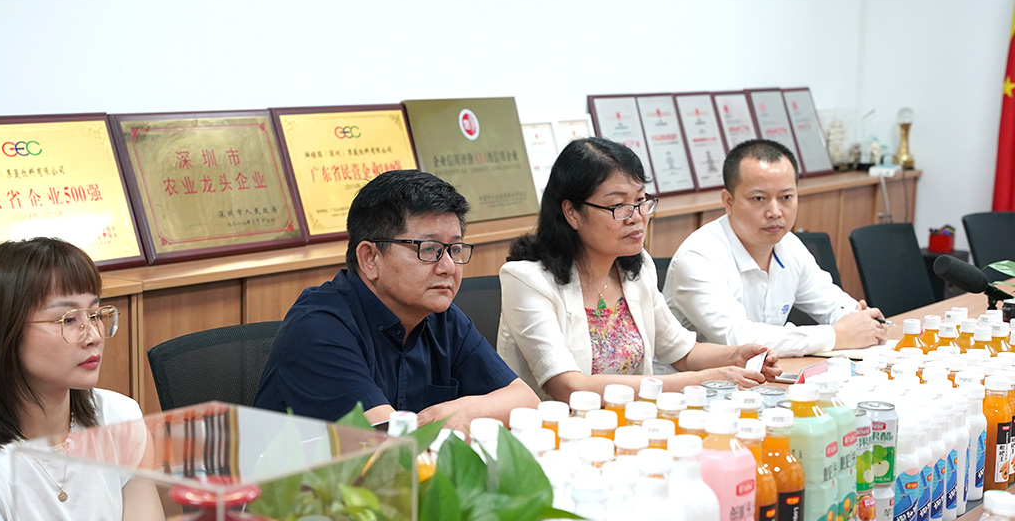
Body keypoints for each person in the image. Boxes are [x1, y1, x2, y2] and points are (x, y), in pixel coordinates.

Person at [498, 137, 781, 402]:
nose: (636, 218)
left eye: (640, 201)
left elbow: (683, 351)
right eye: (618, 206)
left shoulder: (635, 268)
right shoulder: (527, 281)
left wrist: (737, 356)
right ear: (572, 212)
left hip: (631, 423)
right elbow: (569, 387)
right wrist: (702, 380)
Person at [255, 169, 538, 430]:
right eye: (429, 249)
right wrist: (457, 418)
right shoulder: (319, 328)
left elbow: (527, 402)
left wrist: (459, 413)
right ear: (370, 258)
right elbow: (387, 443)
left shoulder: (442, 317)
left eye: (454, 249)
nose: (449, 266)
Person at [0, 238, 162, 521]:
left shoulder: (119, 417)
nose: (94, 336)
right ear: (4, 330)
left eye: (95, 315)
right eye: (69, 319)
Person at [663, 138, 889, 357]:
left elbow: (832, 303)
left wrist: (862, 321)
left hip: (763, 375)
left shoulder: (789, 245)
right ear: (728, 202)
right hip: (698, 380)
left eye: (786, 197)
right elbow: (739, 339)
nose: (775, 212)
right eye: (759, 199)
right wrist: (834, 336)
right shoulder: (699, 257)